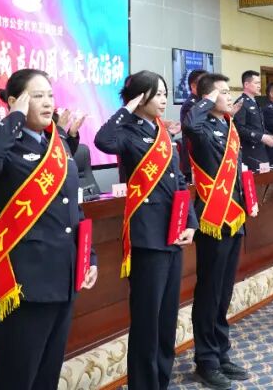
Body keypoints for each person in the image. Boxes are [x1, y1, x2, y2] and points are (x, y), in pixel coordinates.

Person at [0, 68, 96, 390]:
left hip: (63, 278)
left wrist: (88, 257)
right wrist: (13, 117)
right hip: (24, 283)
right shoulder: (6, 144)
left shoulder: (58, 145)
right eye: (37, 96)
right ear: (16, 102)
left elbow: (72, 207)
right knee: (15, 378)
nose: (48, 102)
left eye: (50, 95)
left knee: (46, 377)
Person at [94, 71, 197, 390]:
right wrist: (126, 108)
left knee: (166, 319)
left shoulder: (163, 133)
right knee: (146, 321)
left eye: (165, 93)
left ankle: (161, 381)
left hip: (172, 232)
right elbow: (102, 141)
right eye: (158, 94)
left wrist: (190, 222)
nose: (164, 100)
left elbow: (179, 181)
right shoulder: (126, 132)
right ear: (140, 98)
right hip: (147, 236)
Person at [183, 73, 258, 390]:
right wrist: (206, 100)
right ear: (208, 97)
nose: (230, 97)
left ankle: (221, 352)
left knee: (224, 292)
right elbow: (189, 125)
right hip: (212, 218)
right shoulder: (200, 127)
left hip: (234, 217)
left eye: (229, 92)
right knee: (210, 292)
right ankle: (206, 360)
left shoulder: (228, 126)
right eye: (224, 92)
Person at [233, 70, 273, 171]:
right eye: (256, 83)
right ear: (246, 84)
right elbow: (239, 129)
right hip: (250, 152)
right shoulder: (241, 103)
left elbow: (258, 127)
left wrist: (270, 136)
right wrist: (261, 137)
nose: (259, 86)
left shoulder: (255, 102)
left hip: (261, 151)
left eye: (259, 83)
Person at [178, 68, 208, 178]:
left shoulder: (203, 103)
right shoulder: (190, 105)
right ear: (193, 86)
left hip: (204, 158)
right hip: (194, 159)